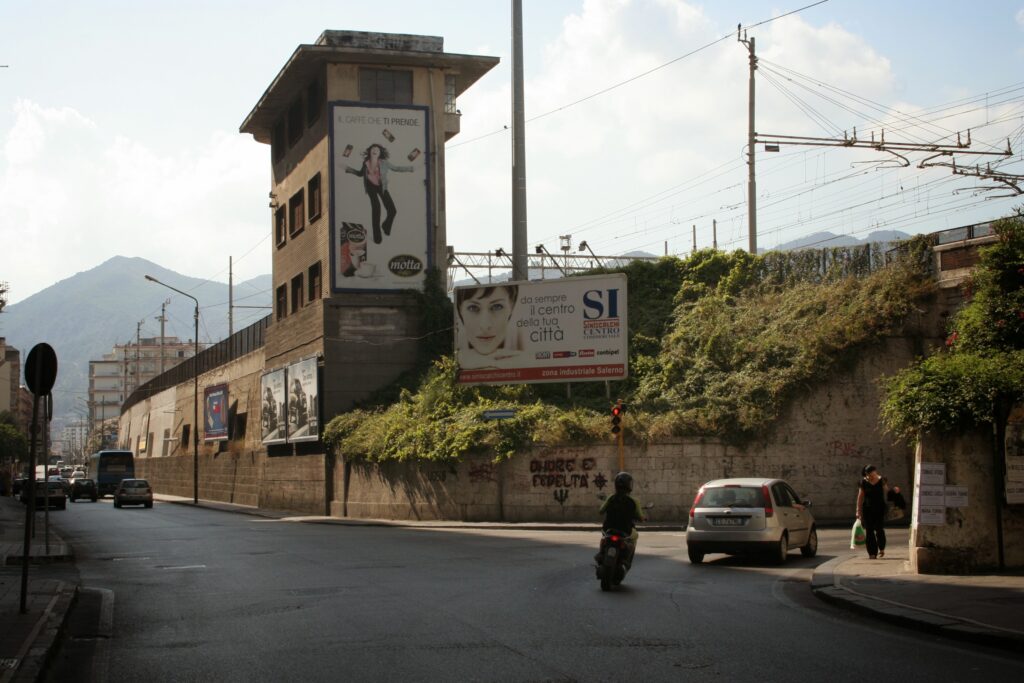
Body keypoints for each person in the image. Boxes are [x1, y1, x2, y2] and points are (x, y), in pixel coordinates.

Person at [343, 144, 413, 244]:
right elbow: (360, 174)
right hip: (370, 186)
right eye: (373, 149)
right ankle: (377, 235)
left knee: (392, 210)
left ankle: (385, 226)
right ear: (370, 151)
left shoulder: (384, 163)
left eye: (377, 150)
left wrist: (410, 168)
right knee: (376, 208)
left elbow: (396, 168)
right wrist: (348, 169)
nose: (375, 150)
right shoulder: (365, 163)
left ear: (380, 153)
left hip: (381, 186)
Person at [456, 285, 523, 369]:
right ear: (460, 309)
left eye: (497, 307)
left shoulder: (522, 334)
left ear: (512, 307)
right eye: (473, 308)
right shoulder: (454, 343)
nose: (485, 325)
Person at [598, 472, 646, 568]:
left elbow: (601, 511)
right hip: (625, 530)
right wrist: (643, 518)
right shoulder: (634, 501)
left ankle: (601, 553)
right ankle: (627, 559)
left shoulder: (611, 498)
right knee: (635, 535)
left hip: (609, 529)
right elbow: (641, 517)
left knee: (603, 537)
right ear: (630, 485)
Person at [856, 464, 898, 559]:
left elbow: (887, 491)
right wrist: (858, 511)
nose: (872, 476)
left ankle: (881, 548)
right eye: (870, 475)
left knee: (879, 529)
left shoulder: (881, 480)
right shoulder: (863, 482)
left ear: (876, 472)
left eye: (874, 474)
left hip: (880, 508)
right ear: (867, 474)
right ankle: (872, 553)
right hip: (867, 509)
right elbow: (860, 497)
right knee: (869, 531)